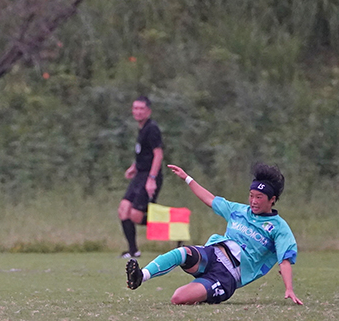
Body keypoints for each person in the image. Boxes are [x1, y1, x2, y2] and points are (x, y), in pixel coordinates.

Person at [126, 162, 303, 305]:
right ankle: (141, 276)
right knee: (183, 252)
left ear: (272, 200)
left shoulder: (279, 228)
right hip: (212, 254)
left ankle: (205, 290)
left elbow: (284, 260)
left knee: (178, 298)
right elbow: (210, 199)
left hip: (228, 275)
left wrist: (289, 289)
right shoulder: (239, 210)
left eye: (259, 197)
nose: (253, 201)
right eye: (251, 195)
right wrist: (187, 178)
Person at [119, 96, 164, 258]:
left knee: (136, 216)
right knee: (123, 210)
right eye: (135, 108)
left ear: (148, 111)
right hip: (140, 174)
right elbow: (144, 153)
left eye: (141, 109)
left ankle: (173, 223)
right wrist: (133, 167)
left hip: (150, 176)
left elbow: (158, 155)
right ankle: (133, 251)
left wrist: (152, 178)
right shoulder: (142, 128)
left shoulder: (152, 128)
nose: (137, 112)